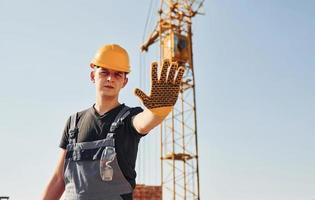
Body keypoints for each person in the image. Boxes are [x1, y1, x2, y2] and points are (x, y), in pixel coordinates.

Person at [41, 44, 185, 200]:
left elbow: (144, 122)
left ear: (124, 81)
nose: (110, 78)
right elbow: (58, 179)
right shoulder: (74, 123)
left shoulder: (129, 118)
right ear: (92, 76)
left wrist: (156, 112)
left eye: (117, 74)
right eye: (104, 72)